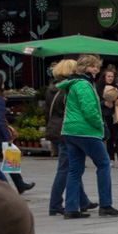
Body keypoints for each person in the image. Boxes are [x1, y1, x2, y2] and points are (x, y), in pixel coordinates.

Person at [59, 54, 118, 218]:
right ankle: (105, 205)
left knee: (74, 170)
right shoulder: (84, 85)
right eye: (92, 66)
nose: (96, 69)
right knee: (103, 163)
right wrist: (101, 127)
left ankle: (71, 208)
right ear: (83, 68)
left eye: (96, 66)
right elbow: (89, 110)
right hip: (85, 131)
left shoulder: (73, 84)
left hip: (70, 130)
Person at [46, 60, 93, 216]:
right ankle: (55, 204)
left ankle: (83, 201)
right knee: (66, 168)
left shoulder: (52, 88)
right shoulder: (67, 88)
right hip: (66, 130)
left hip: (54, 129)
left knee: (73, 166)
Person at [0, 71, 35, 194]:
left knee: (7, 159)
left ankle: (20, 184)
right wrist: (7, 136)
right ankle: (15, 185)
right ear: (1, 84)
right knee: (6, 160)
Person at [96, 68, 118, 167]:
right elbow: (96, 102)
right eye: (108, 76)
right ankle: (111, 159)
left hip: (116, 115)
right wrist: (104, 103)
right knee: (109, 138)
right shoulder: (99, 88)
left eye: (112, 76)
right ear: (104, 77)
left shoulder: (117, 87)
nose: (110, 78)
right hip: (106, 114)